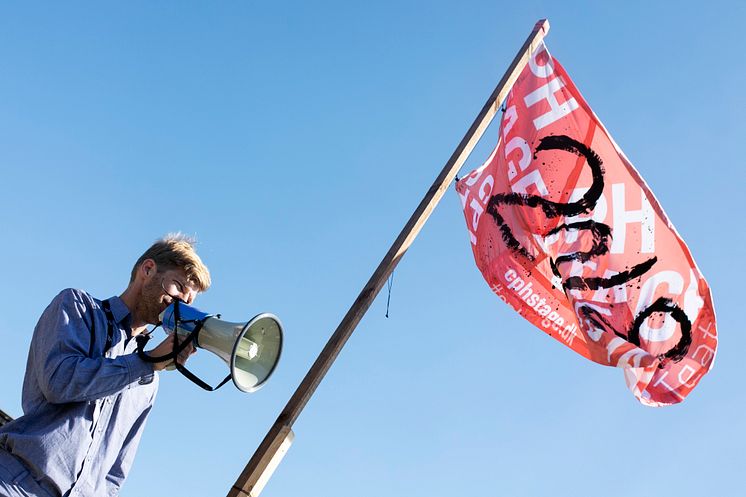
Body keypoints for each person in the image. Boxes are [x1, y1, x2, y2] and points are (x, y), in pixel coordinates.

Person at [0, 234, 211, 497]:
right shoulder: (77, 306)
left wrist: (149, 365)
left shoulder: (149, 380)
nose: (181, 305)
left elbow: (115, 473)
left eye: (189, 301)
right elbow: (59, 381)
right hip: (16, 484)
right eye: (178, 287)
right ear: (148, 270)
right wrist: (147, 364)